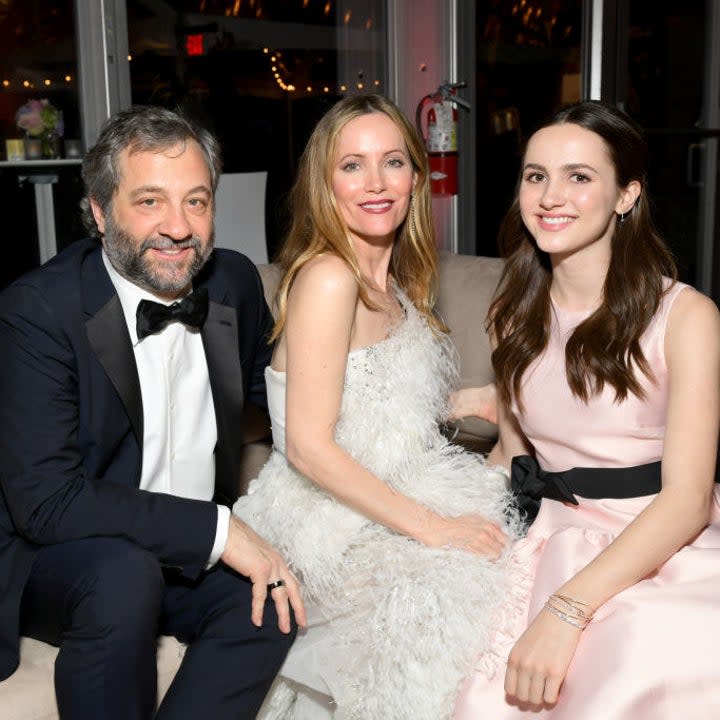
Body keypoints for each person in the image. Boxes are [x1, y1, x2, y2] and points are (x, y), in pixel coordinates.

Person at [0, 106, 305, 720]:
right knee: (124, 576)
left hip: (178, 556)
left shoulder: (234, 284)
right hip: (63, 560)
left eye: (196, 201)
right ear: (99, 211)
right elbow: (47, 503)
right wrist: (220, 532)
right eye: (149, 202)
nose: (177, 226)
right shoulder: (37, 309)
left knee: (275, 599)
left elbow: (281, 397)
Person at [232, 92, 521, 720]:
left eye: (392, 162)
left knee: (517, 561)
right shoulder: (328, 278)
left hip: (385, 488)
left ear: (416, 177)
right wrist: (435, 528)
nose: (375, 183)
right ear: (323, 183)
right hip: (324, 518)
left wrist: (472, 399)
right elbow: (310, 447)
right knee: (451, 596)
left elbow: (373, 400)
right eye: (352, 165)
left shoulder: (394, 283)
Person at [454, 100, 720, 718]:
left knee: (639, 656)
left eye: (579, 176)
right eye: (535, 175)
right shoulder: (511, 315)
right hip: (546, 537)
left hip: (657, 543)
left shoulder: (685, 317)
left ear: (625, 195)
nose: (551, 196)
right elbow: (514, 459)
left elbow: (687, 500)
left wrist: (567, 611)